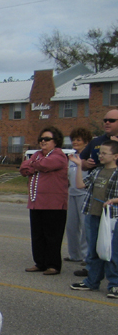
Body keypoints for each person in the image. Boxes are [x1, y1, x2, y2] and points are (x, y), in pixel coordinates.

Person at [69, 139, 118, 299]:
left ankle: (114, 285)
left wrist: (114, 201)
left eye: (104, 153)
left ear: (115, 156)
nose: (100, 156)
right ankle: (92, 281)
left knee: (111, 251)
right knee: (94, 250)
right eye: (99, 152)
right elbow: (80, 185)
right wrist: (78, 166)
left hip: (111, 220)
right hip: (93, 215)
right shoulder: (97, 171)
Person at [19, 127, 68, 275]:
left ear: (56, 141)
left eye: (47, 139)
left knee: (52, 235)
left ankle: (53, 265)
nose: (43, 141)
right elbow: (23, 168)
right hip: (36, 202)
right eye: (41, 139)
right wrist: (34, 164)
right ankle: (40, 263)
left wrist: (33, 164)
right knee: (37, 235)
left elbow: (45, 165)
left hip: (54, 204)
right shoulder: (37, 155)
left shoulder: (59, 156)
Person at [66, 127, 93, 265]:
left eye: (79, 140)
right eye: (74, 140)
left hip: (85, 195)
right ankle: (74, 254)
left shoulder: (89, 158)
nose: (75, 142)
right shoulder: (72, 157)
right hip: (72, 194)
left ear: (86, 142)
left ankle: (85, 256)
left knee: (85, 227)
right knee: (71, 226)